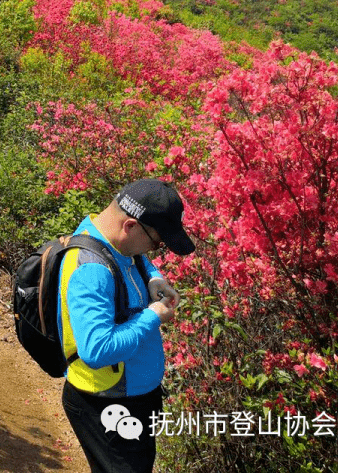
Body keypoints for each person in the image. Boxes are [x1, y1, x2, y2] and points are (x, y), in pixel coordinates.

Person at [57, 178, 195, 473]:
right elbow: (97, 350)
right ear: (130, 226)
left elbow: (135, 256)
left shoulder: (108, 236)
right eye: (157, 243)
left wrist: (155, 277)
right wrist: (153, 316)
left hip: (132, 395)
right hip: (106, 403)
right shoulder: (91, 270)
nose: (156, 250)